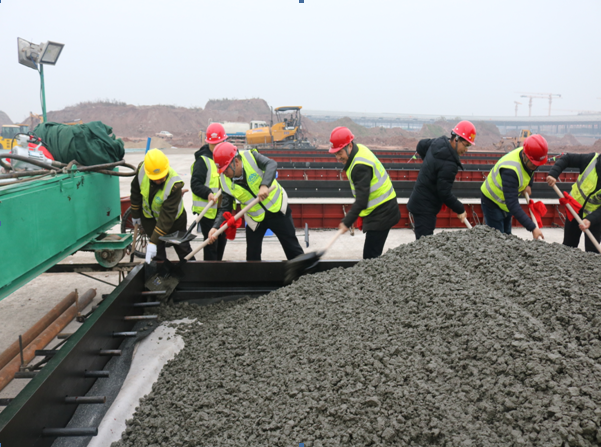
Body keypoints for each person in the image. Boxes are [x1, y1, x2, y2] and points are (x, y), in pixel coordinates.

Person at [208, 142, 304, 261]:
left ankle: (304, 270)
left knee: (292, 247)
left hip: (277, 209)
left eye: (225, 170)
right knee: (252, 256)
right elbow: (225, 208)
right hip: (255, 219)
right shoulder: (224, 181)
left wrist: (264, 185)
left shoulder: (251, 157)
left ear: (236, 162)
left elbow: (271, 164)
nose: (224, 173)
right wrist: (216, 227)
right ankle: (255, 273)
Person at [329, 127, 400, 259]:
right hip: (379, 209)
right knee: (371, 255)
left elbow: (362, 200)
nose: (338, 157)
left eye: (339, 152)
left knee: (370, 257)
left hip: (383, 212)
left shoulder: (359, 166)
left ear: (349, 146)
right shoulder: (359, 149)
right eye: (335, 154)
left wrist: (346, 222)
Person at [407, 121, 476, 239]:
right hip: (425, 208)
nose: (466, 150)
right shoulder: (450, 165)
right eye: (466, 145)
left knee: (424, 241)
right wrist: (460, 209)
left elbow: (421, 145)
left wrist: (429, 166)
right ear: (456, 139)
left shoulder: (439, 142)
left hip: (420, 201)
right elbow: (444, 193)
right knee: (425, 243)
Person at [130, 149, 193, 263]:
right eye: (155, 179)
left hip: (174, 221)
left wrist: (153, 242)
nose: (158, 181)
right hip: (150, 219)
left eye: (161, 177)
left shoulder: (175, 185)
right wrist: (135, 214)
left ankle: (192, 271)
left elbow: (166, 218)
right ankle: (162, 271)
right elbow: (135, 192)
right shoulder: (142, 170)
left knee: (183, 250)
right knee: (158, 254)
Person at [480, 134, 547, 240]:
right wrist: (533, 228)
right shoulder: (510, 170)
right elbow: (512, 204)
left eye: (538, 164)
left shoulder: (529, 155)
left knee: (507, 236)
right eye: (534, 163)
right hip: (492, 201)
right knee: (497, 239)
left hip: (505, 202)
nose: (536, 166)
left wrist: (529, 184)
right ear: (524, 155)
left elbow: (531, 170)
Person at [547, 151, 601, 252]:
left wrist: (590, 220)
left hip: (594, 217)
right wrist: (553, 174)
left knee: (592, 253)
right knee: (568, 247)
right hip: (574, 210)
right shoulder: (590, 160)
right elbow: (567, 158)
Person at [190, 123, 228, 260]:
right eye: (214, 144)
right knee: (211, 244)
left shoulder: (225, 157)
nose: (217, 146)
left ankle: (218, 268)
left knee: (222, 241)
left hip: (223, 209)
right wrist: (208, 193)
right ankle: (210, 270)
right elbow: (195, 184)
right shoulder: (202, 161)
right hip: (208, 212)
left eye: (219, 143)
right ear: (208, 143)